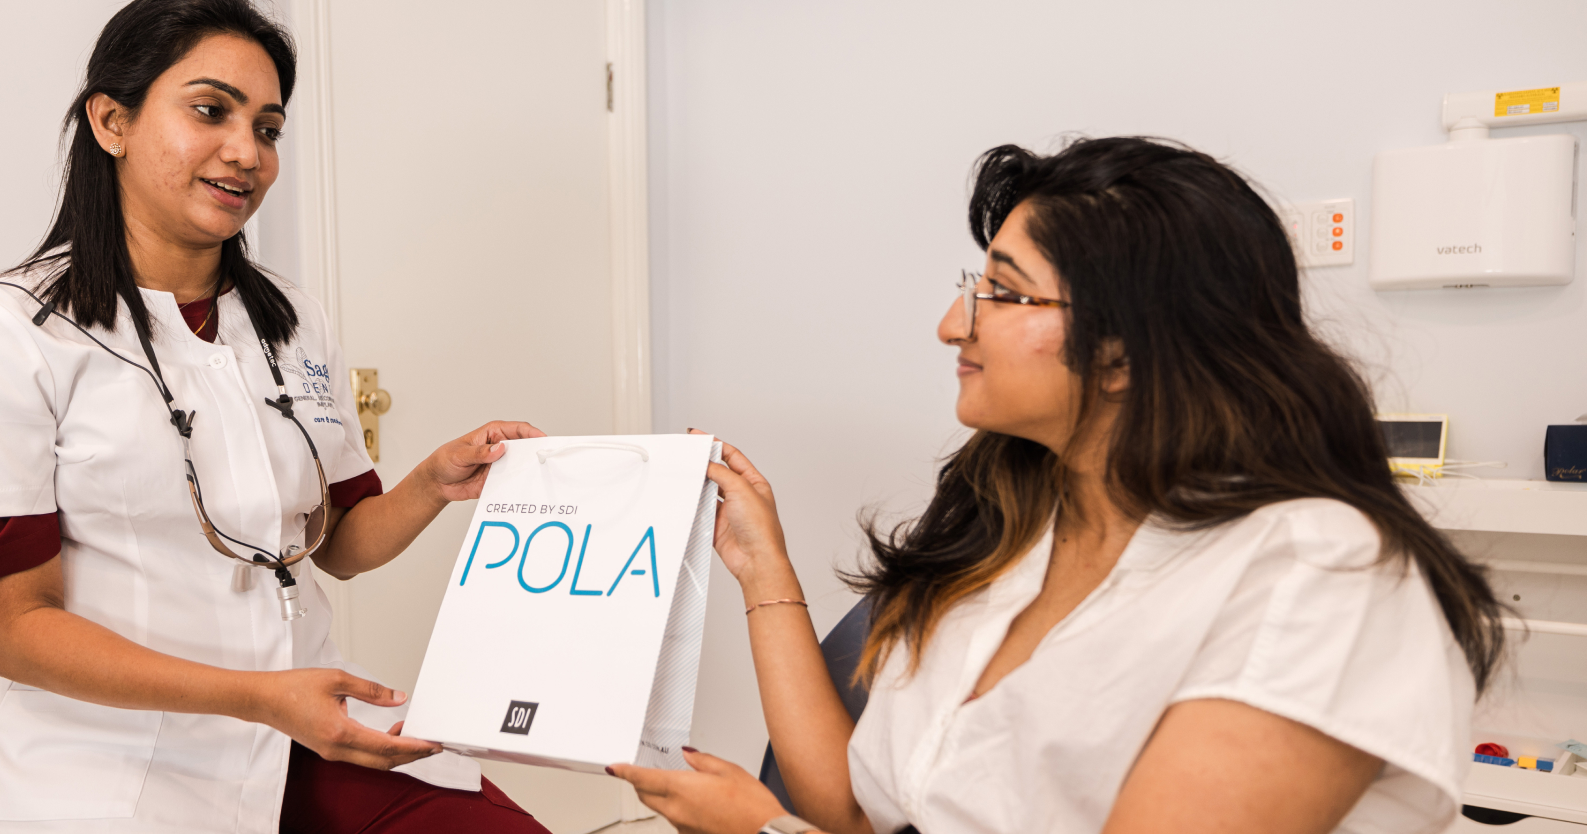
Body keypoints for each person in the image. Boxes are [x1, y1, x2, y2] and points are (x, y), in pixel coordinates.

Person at [611, 137, 1506, 834]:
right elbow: (858, 811)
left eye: (1004, 294)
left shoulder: (1319, 577)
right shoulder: (1011, 528)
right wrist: (761, 565)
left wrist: (765, 831)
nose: (951, 324)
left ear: (1129, 348)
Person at [0, 2, 552, 832]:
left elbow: (339, 545)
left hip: (300, 725)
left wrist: (432, 483)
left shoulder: (290, 320)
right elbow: (16, 631)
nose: (247, 153)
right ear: (112, 122)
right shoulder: (1, 331)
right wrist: (260, 697)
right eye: (210, 111)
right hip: (97, 749)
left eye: (268, 129)